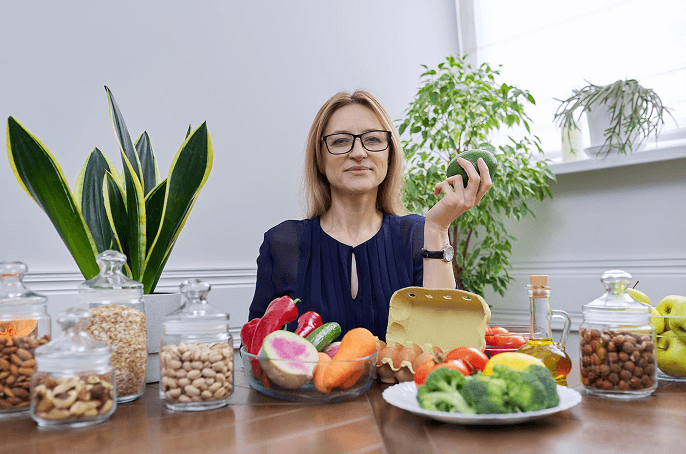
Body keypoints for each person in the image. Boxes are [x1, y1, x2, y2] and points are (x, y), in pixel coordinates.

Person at [248, 90, 491, 340]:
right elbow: (257, 349)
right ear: (319, 158)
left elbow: (444, 342)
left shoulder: (417, 234)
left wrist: (438, 229)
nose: (358, 152)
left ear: (390, 153)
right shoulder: (282, 242)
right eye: (340, 141)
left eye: (373, 140)